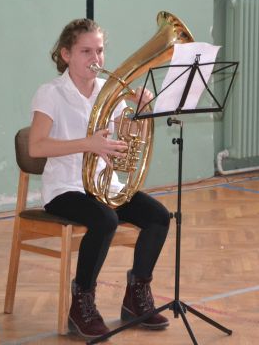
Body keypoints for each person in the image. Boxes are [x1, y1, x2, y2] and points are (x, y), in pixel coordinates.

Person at [29, 18, 170, 339]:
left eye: (100, 50)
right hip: (65, 189)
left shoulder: (110, 91)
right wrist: (88, 144)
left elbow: (126, 139)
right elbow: (36, 147)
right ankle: (82, 304)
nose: (96, 58)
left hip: (105, 185)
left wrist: (141, 112)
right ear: (66, 54)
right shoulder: (50, 93)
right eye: (86, 51)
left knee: (159, 217)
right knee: (105, 220)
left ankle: (136, 297)